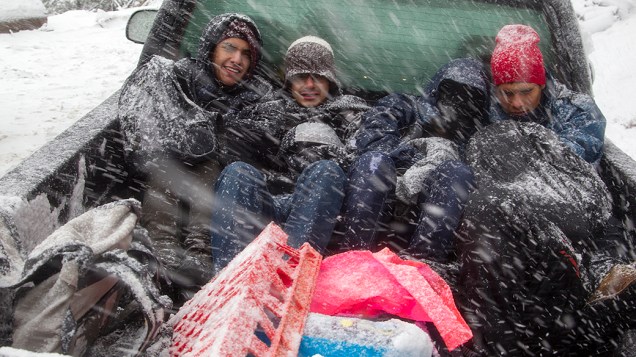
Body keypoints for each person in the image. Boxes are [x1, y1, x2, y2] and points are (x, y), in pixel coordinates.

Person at [454, 24, 635, 355]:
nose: (518, 102)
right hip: (508, 226)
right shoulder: (481, 110)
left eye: (526, 91)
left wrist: (518, 144)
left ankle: (591, 268)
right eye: (507, 93)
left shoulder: (576, 109)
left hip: (572, 207)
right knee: (488, 210)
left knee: (494, 201)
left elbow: (570, 163)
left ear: (543, 82)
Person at [118, 13, 274, 300]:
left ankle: (199, 251)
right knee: (167, 164)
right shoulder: (175, 79)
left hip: (216, 184)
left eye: (245, 54)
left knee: (209, 162)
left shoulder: (258, 97)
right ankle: (162, 247)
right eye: (229, 47)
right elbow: (148, 132)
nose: (237, 59)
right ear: (211, 47)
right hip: (167, 176)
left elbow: (255, 145)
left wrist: (211, 136)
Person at [209, 36, 370, 272]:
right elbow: (230, 144)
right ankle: (231, 278)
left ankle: (288, 276)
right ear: (288, 81)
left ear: (331, 80)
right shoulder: (266, 110)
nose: (309, 85)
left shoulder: (351, 114)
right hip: (265, 206)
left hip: (318, 212)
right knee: (237, 172)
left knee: (327, 171)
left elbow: (363, 159)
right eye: (299, 77)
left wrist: (314, 148)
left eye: (318, 77)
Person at [334, 58, 490, 263]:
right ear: (437, 89)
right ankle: (353, 259)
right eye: (451, 91)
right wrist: (416, 160)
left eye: (469, 97)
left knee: (457, 172)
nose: (457, 103)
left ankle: (424, 266)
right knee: (374, 161)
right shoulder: (404, 105)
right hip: (380, 198)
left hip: (428, 218)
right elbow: (373, 138)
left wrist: (439, 165)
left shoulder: (477, 137)